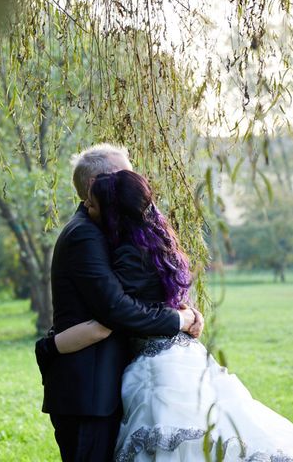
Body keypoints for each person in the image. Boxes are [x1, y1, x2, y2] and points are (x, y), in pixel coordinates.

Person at [46, 169, 293, 460]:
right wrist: (185, 314)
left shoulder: (127, 253)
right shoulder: (158, 240)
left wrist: (52, 346)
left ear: (114, 211)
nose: (86, 207)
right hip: (185, 353)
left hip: (157, 362)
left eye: (92, 203)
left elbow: (117, 311)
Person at [35, 144, 203, 462]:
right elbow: (117, 309)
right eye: (127, 172)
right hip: (89, 395)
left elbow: (148, 287)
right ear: (99, 183)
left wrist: (188, 311)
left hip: (110, 387)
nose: (134, 180)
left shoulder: (117, 233)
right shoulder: (85, 235)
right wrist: (178, 320)